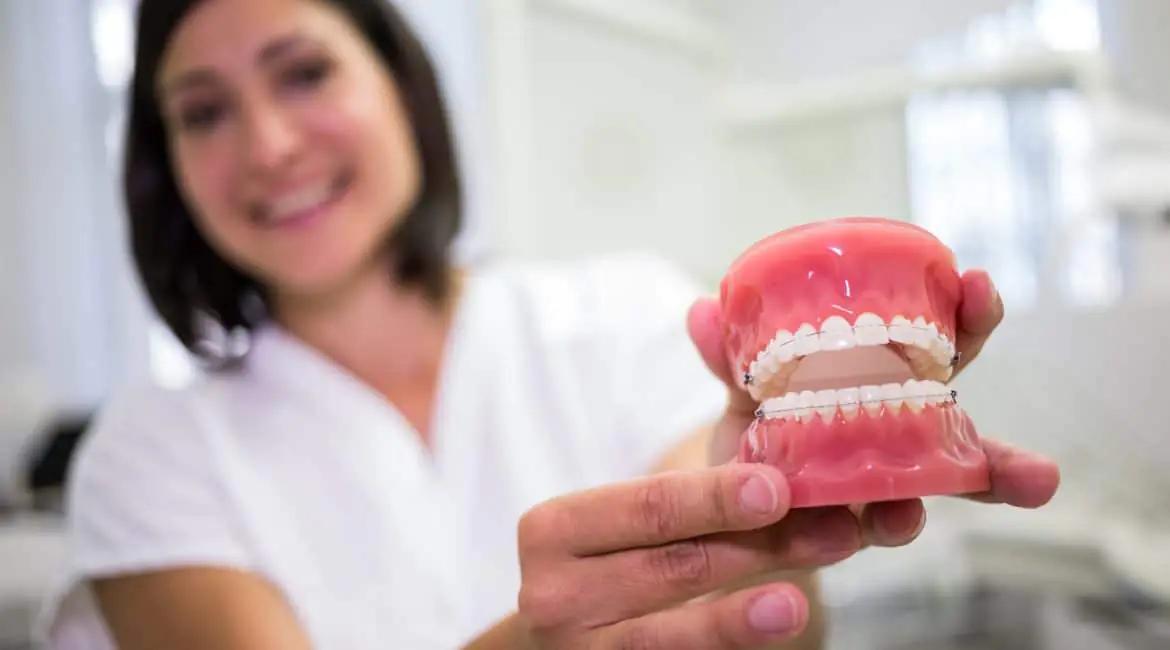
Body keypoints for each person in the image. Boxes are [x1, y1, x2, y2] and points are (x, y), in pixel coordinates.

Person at [39, 0, 1061, 648]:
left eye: (304, 72)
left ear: (401, 86)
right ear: (165, 168)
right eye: (203, 111)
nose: (267, 144)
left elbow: (769, 629)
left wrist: (771, 518)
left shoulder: (622, 316)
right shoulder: (148, 453)